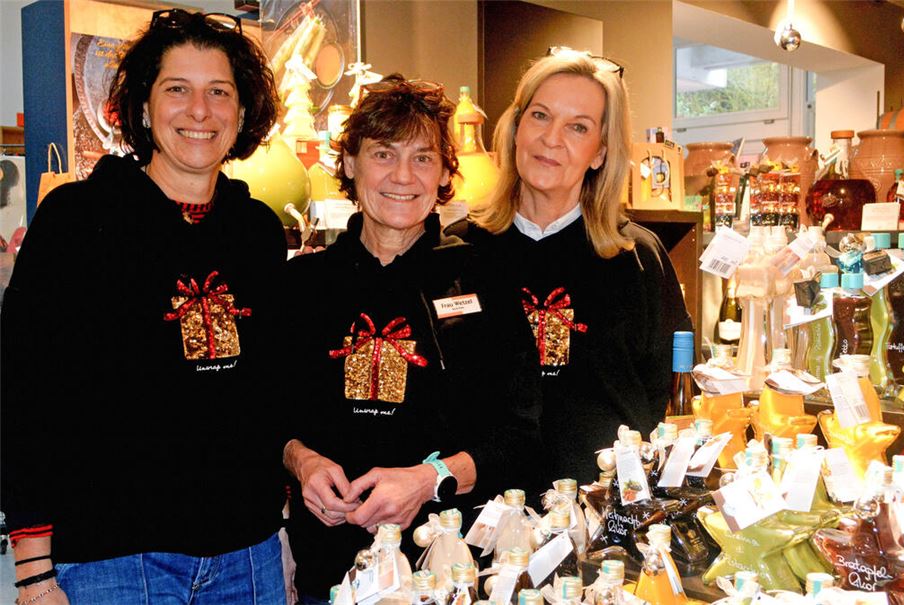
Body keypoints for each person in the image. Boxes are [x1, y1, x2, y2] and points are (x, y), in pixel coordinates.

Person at [1, 10, 287, 604]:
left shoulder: (256, 230)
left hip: (246, 554)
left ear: (242, 110)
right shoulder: (78, 221)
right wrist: (32, 572)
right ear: (143, 104)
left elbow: (268, 394)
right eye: (176, 89)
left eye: (219, 92)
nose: (199, 111)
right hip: (114, 560)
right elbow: (24, 395)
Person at [281, 74, 541, 604]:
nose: (403, 176)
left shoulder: (483, 279)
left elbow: (522, 433)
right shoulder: (302, 286)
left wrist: (430, 479)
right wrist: (300, 460)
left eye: (422, 158)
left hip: (451, 572)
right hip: (330, 575)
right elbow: (267, 415)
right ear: (350, 164)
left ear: (445, 171)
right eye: (383, 154)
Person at [451, 47, 693, 489]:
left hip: (601, 517)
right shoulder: (459, 253)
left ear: (600, 152)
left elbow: (669, 401)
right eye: (540, 116)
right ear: (515, 129)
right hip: (479, 518)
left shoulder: (638, 258)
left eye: (577, 127)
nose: (551, 139)